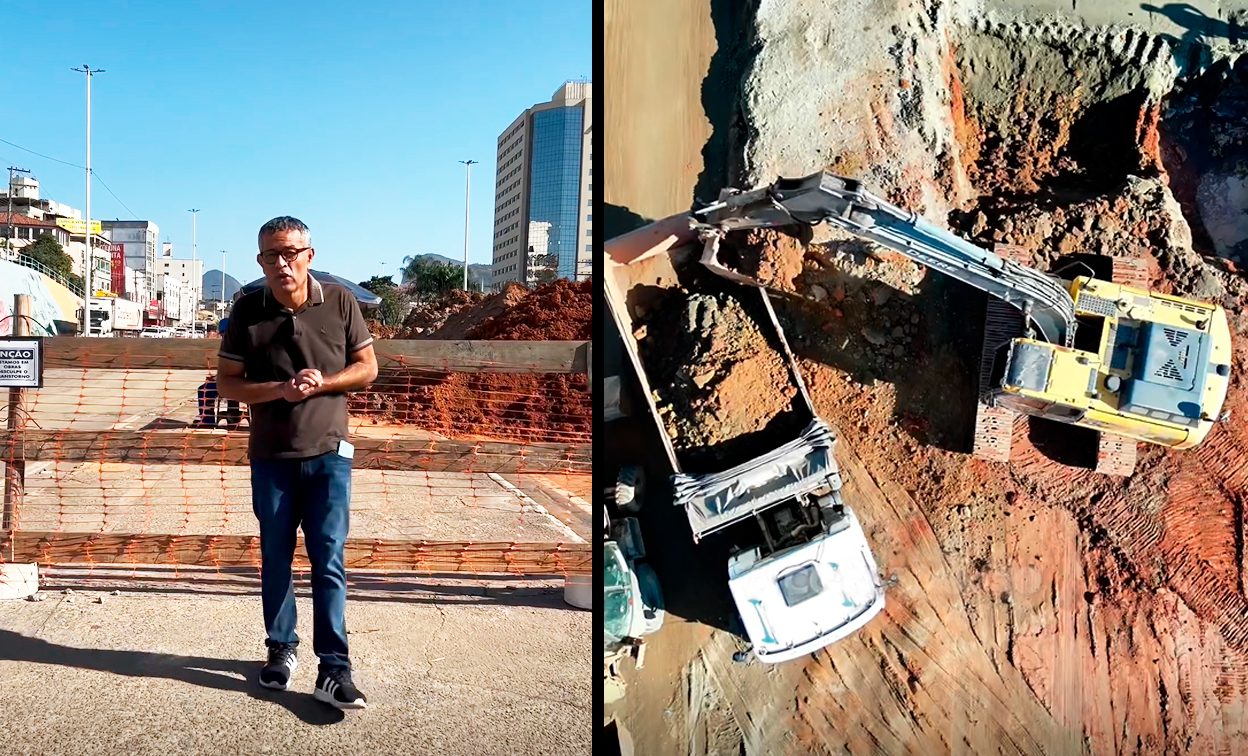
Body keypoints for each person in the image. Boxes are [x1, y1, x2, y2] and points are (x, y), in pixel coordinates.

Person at [217, 216, 378, 710]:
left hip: (330, 456)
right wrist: (279, 390)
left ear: (310, 254)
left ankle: (334, 668)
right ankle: (280, 648)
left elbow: (368, 368)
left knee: (329, 560)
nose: (280, 263)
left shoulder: (341, 302)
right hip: (271, 459)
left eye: (289, 252)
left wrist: (323, 383)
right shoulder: (247, 310)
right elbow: (227, 383)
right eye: (270, 255)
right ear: (260, 260)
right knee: (277, 561)